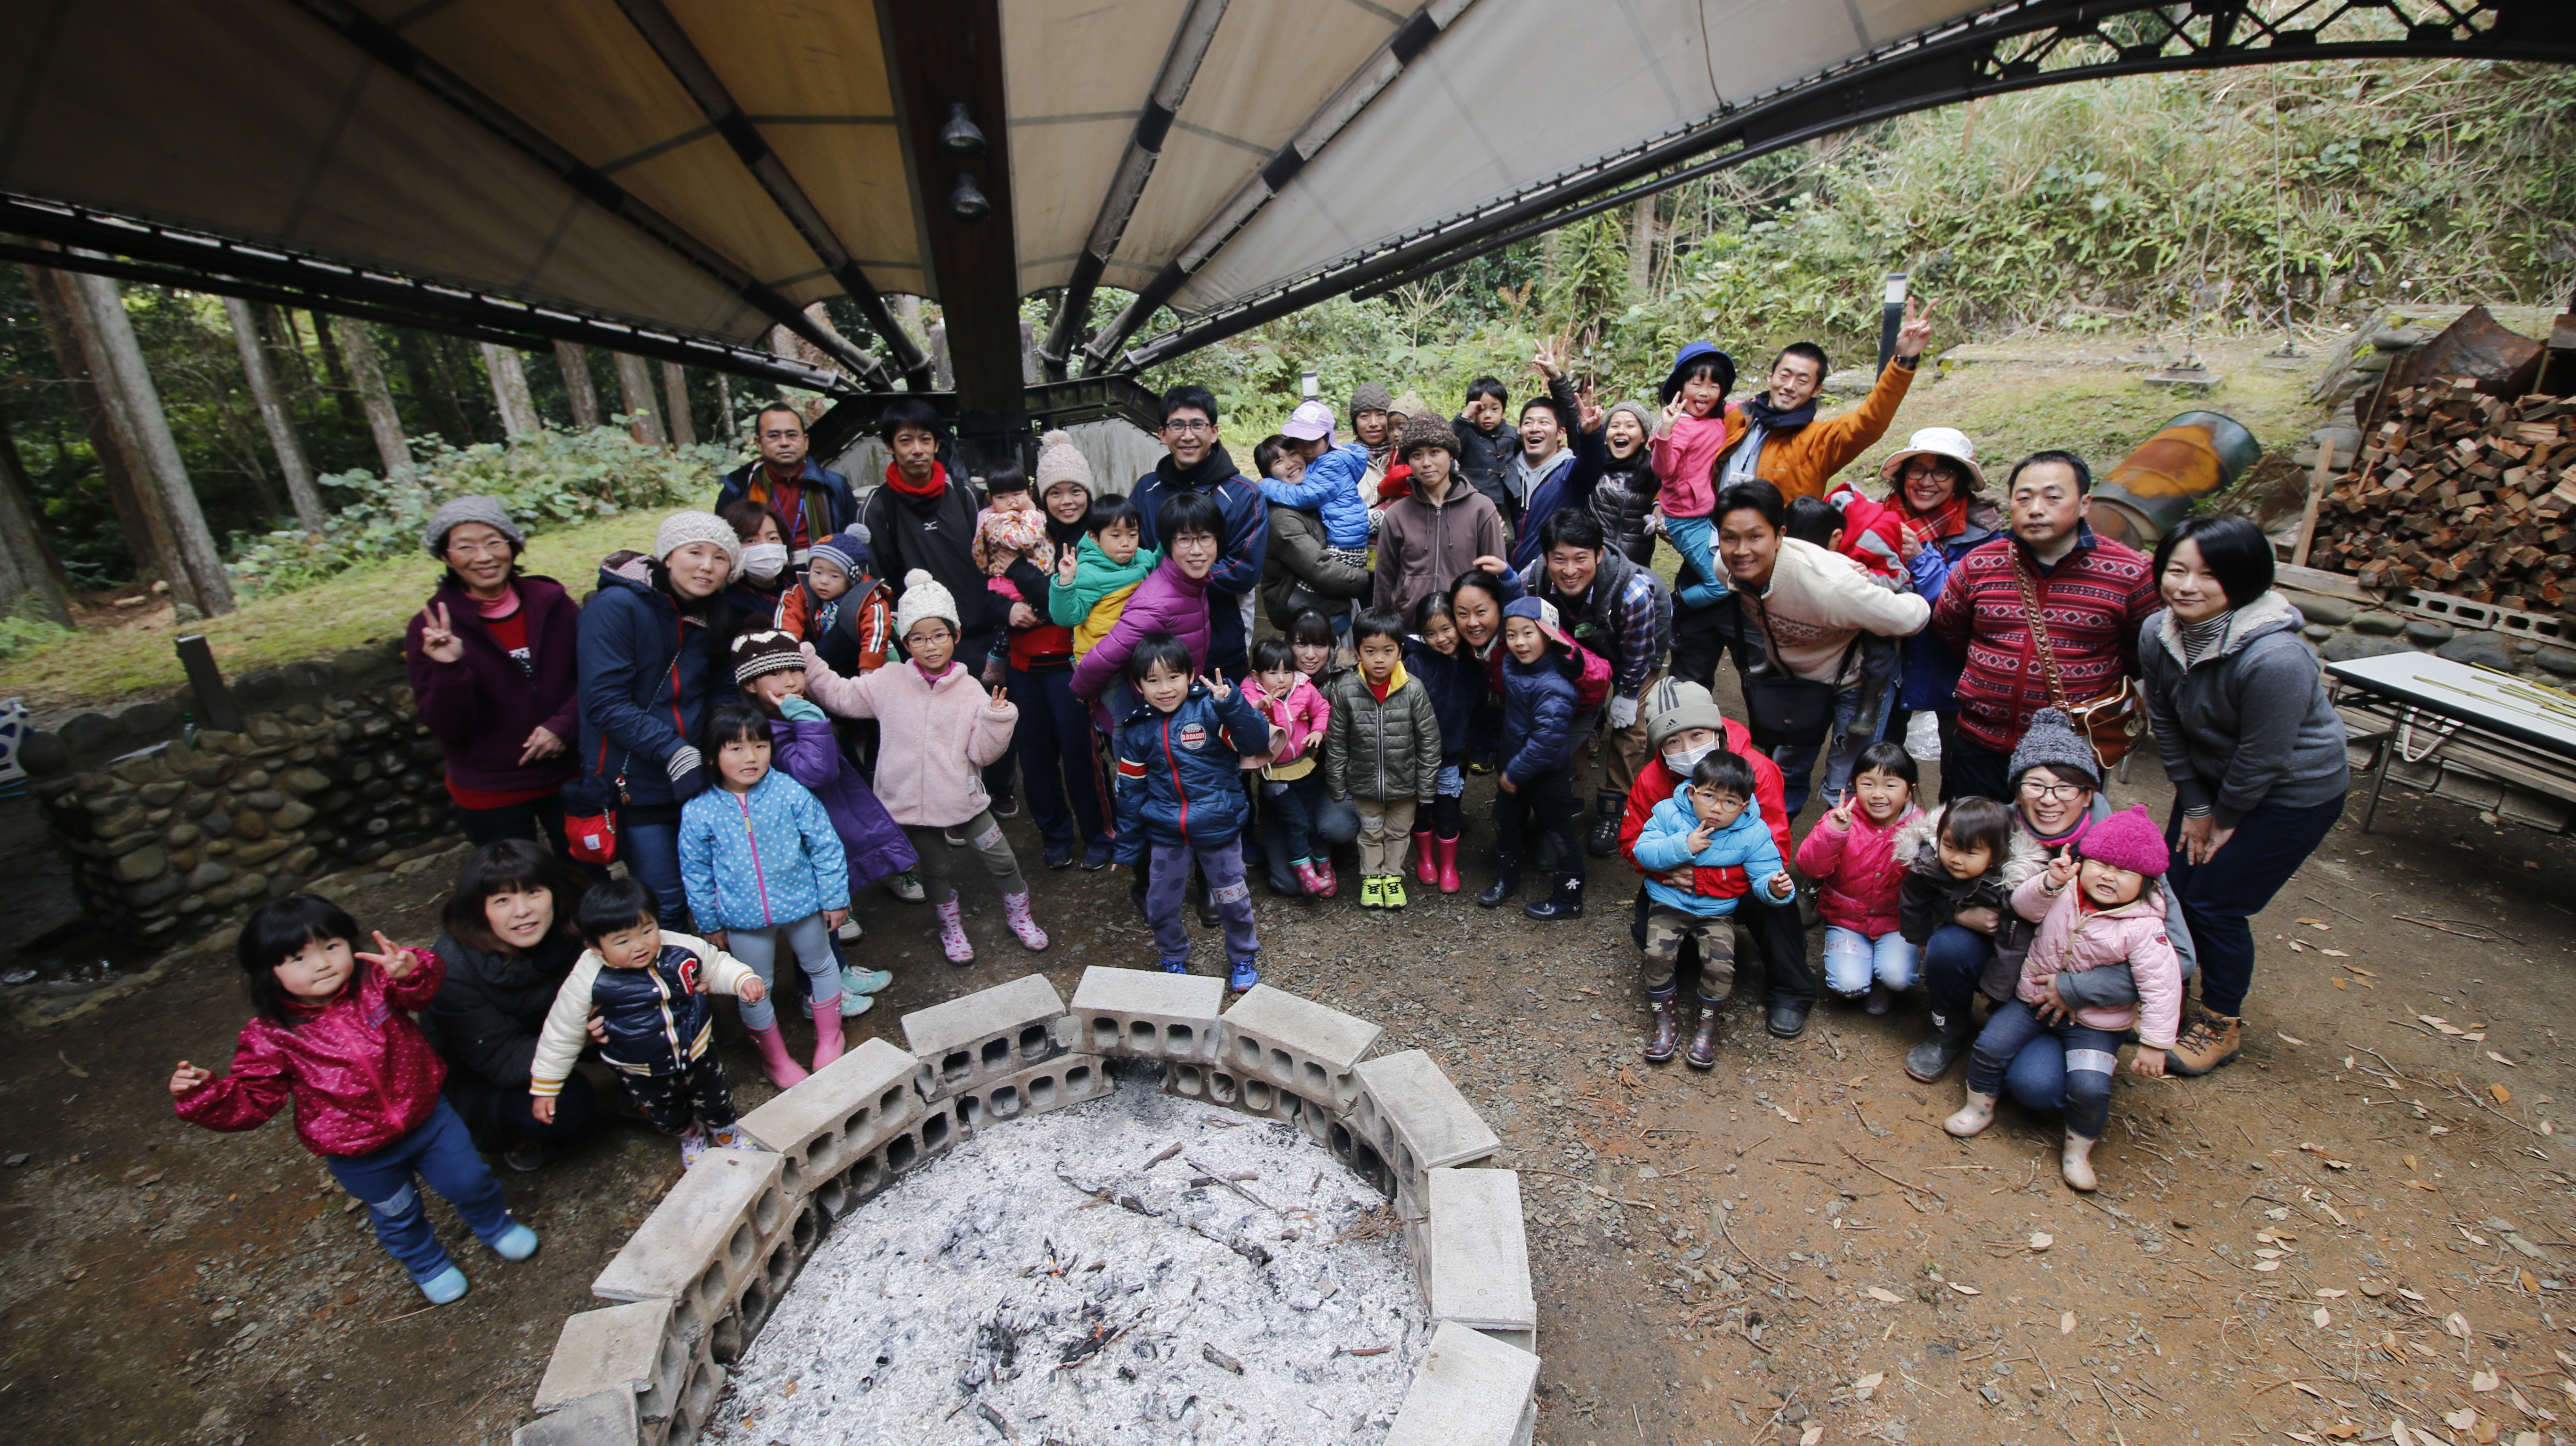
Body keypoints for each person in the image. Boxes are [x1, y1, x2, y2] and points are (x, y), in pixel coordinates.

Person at [171, 896, 539, 1304]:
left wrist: (412, 970)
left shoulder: (375, 983)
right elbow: (254, 1099)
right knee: (397, 1214)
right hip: (358, 1152)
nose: (322, 964)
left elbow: (423, 991)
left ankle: (496, 1228)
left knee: (470, 1179)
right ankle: (428, 1265)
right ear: (269, 973)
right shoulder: (270, 1035)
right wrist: (205, 1095)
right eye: (298, 958)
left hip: (428, 1118)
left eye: (331, 947)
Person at [2140, 516, 2350, 1075]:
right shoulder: (2159, 634)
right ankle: (2165, 992)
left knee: (2215, 900)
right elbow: (2165, 720)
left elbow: (2265, 756)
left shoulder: (2276, 658)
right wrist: (2197, 804)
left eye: (2209, 575)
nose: (2187, 586)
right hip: (2211, 782)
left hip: (2292, 794)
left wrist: (2224, 818)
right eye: (2176, 570)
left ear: (2246, 578)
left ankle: (2221, 1022)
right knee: (2173, 885)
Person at [1901, 707, 2200, 1084]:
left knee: (2036, 1087)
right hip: (2007, 964)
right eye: (2035, 785)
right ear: (2018, 790)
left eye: (2065, 788)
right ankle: (1948, 1033)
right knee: (1951, 945)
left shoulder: (2124, 854)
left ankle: (2065, 1047)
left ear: (2088, 795)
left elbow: (2182, 959)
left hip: (2072, 989)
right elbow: (1930, 881)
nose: (2048, 800)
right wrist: (1955, 914)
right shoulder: (1993, 827)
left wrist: (2077, 988)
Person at [800, 570, 1044, 964]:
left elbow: (982, 754)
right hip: (910, 803)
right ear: (905, 641)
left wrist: (997, 720)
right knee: (935, 870)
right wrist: (810, 663)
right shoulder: (889, 681)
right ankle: (951, 928)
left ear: (956, 636)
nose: (930, 646)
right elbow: (842, 696)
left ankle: (1021, 917)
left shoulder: (969, 690)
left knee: (1002, 858)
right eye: (918, 638)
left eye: (939, 635)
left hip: (963, 799)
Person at [1945, 806, 2182, 1192]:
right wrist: (2049, 884)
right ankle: (1979, 1107)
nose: (2108, 875)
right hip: (2033, 1000)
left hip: (2096, 1024)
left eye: (2124, 872)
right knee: (1990, 1046)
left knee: (2089, 1086)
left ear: (2147, 883)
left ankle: (2079, 1149)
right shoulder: (2065, 890)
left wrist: (2156, 1043)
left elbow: (2163, 984)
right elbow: (2021, 907)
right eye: (2101, 864)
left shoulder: (2145, 928)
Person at [1929, 450, 2158, 803]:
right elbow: (1950, 627)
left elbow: (2142, 651)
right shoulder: (1980, 564)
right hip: (1980, 743)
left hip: (2069, 755)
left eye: (2052, 497)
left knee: (2059, 853)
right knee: (1971, 847)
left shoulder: (2130, 573)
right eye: (2024, 498)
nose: (2036, 509)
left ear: (2084, 504)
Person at [1708, 480, 1929, 816]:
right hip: (1800, 679)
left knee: (1846, 778)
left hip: (1855, 678)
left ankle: (1837, 856)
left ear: (1780, 535)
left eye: (1755, 536)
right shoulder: (1727, 569)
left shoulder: (1832, 587)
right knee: (1786, 768)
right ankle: (1771, 848)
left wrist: (1885, 587)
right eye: (1730, 538)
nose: (1741, 551)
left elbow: (1913, 617)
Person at [1620, 678, 1815, 1043]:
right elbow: (1631, 842)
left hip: (1739, 885)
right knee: (1647, 930)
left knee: (1776, 901)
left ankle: (1791, 989)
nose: (1686, 749)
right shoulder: (1653, 779)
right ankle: (1690, 954)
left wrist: (1707, 881)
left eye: (1696, 735)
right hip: (1674, 886)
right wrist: (1662, 866)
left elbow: (1775, 849)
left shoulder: (1757, 770)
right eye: (1672, 742)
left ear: (1717, 730)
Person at [572, 511, 740, 928]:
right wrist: (672, 749)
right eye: (695, 552)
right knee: (664, 901)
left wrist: (723, 744)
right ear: (667, 556)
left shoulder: (713, 615)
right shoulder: (617, 607)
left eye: (720, 558)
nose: (707, 566)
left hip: (698, 774)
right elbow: (604, 702)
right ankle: (678, 990)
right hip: (636, 784)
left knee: (715, 889)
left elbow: (719, 690)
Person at [678, 699, 853, 1087]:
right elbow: (696, 874)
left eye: (760, 745)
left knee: (821, 966)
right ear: (713, 755)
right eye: (736, 748)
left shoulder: (788, 791)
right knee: (754, 986)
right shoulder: (699, 811)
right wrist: (709, 923)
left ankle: (830, 1037)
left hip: (803, 904)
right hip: (743, 918)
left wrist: (835, 897)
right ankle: (774, 1058)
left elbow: (825, 844)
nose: (751, 757)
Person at [529, 878, 760, 1167]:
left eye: (647, 930)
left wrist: (743, 979)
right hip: (642, 1069)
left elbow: (715, 965)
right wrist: (546, 1086)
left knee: (718, 1099)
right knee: (667, 1113)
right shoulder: (587, 979)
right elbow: (561, 1032)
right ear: (595, 947)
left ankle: (727, 1135)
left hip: (698, 1051)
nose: (639, 945)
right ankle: (690, 1135)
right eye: (622, 941)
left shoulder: (678, 947)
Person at [860, 398, 1014, 817]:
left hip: (976, 629)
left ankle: (1000, 789)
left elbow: (988, 557)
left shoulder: (962, 494)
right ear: (890, 447)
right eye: (905, 440)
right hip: (923, 638)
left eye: (925, 439)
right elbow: (879, 576)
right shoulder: (880, 505)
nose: (916, 450)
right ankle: (948, 802)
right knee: (934, 724)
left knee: (988, 709)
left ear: (936, 444)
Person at [406, 497, 583, 858]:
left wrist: (565, 725)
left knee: (586, 876)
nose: (484, 557)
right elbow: (447, 724)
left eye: (493, 542)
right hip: (489, 790)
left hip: (569, 774)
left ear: (513, 546)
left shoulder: (553, 603)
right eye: (465, 547)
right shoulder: (431, 629)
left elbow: (596, 679)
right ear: (445, 556)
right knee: (514, 885)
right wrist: (449, 668)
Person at [1493, 508, 1673, 856]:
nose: (1570, 570)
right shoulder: (1536, 577)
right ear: (1546, 557)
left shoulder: (1633, 593)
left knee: (1630, 725)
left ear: (1599, 554)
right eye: (1559, 559)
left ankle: (1613, 806)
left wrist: (1628, 693)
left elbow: (1637, 655)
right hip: (1574, 646)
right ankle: (1570, 795)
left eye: (1581, 558)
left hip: (1633, 646)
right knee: (1569, 717)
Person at [732, 629, 915, 961]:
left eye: (795, 671)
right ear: (749, 684)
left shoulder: (795, 709)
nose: (790, 682)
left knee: (856, 838)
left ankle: (875, 880)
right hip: (805, 817)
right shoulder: (766, 730)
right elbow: (815, 772)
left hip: (833, 804)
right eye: (775, 674)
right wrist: (807, 718)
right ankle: (836, 913)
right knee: (825, 858)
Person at [423, 841, 604, 1173]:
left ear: (554, 892)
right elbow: (502, 1061)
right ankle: (514, 1134)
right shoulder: (452, 969)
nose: (522, 911)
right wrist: (582, 1035)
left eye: (534, 892)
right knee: (567, 1104)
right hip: (484, 1073)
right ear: (480, 908)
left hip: (552, 1029)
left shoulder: (580, 919)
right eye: (502, 900)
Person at [1111, 634, 1272, 989]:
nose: (1165, 689)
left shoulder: (1212, 710)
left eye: (1173, 677)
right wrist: (1127, 846)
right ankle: (1172, 958)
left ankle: (1243, 957)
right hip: (1167, 834)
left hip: (1219, 829)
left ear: (1189, 675)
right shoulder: (1137, 730)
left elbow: (1254, 742)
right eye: (1152, 681)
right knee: (1161, 904)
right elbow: (1131, 794)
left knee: (1233, 900)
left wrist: (1232, 705)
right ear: (1139, 685)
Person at [1631, 750, 1797, 1066]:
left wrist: (1774, 889)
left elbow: (1765, 873)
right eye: (1709, 796)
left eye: (1730, 802)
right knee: (1657, 955)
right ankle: (1665, 1025)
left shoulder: (1754, 831)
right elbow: (1644, 851)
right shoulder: (1669, 813)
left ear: (1744, 806)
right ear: (1693, 792)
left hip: (1717, 910)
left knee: (1721, 965)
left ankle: (1706, 1030)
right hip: (1670, 902)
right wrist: (1684, 846)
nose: (1717, 808)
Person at [1868, 428, 2000, 792]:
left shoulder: (1988, 536)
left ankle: (1950, 830)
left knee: (1958, 759)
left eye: (1941, 472)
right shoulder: (1877, 518)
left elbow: (1964, 601)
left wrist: (1921, 556)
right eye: (1917, 471)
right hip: (1886, 658)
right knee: (1882, 753)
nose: (1927, 482)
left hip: (1953, 664)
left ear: (1959, 481)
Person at [1009, 434, 1119, 871]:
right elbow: (987, 586)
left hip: (1071, 665)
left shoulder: (1096, 539)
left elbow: (1076, 595)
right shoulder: (1023, 534)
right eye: (1055, 492)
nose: (1066, 501)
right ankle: (1054, 834)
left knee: (1081, 755)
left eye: (1076, 491)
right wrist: (1007, 605)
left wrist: (1021, 574)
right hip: (1023, 662)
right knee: (1034, 758)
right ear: (1041, 495)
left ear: (1088, 494)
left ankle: (1099, 832)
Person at [1709, 297, 1934, 504]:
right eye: (1784, 376)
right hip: (1719, 537)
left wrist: (1904, 360)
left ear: (1817, 390)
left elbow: (1870, 422)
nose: (1789, 387)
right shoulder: (1737, 418)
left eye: (1803, 381)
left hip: (1786, 544)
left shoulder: (1820, 441)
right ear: (1771, 377)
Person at [1130, 386, 1268, 680]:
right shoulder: (1146, 490)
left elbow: (1243, 571)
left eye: (1197, 425)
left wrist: (1170, 577)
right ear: (1163, 434)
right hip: (1156, 645)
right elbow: (1131, 558)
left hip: (1219, 643)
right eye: (1177, 425)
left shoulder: (1244, 495)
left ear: (1214, 432)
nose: (1188, 435)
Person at [1323, 608, 1444, 910]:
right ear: (1357, 652)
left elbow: (1429, 741)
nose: (1379, 659)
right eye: (1370, 651)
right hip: (1364, 785)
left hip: (1405, 785)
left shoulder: (1413, 689)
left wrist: (1426, 787)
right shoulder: (1347, 690)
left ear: (1400, 651)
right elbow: (1337, 742)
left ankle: (1393, 876)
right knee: (1371, 832)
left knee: (1399, 833)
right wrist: (1338, 784)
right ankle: (1371, 878)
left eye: (1388, 651)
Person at [1071, 490, 1224, 727]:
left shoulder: (1193, 581)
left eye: (1205, 537)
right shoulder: (1155, 603)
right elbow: (1098, 661)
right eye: (1184, 539)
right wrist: (1084, 697)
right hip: (1151, 724)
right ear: (1167, 542)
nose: (1197, 550)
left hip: (1180, 711)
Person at [1795, 741, 1927, 1015]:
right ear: (1854, 785)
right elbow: (1809, 868)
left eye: (1890, 785)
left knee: (1897, 976)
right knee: (1848, 985)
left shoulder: (1922, 829)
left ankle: (1886, 984)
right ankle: (1864, 973)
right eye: (1868, 784)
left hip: (1896, 923)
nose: (1878, 794)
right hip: (1848, 920)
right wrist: (1835, 833)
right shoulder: (1841, 820)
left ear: (1909, 792)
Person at [1483, 598, 1587, 920]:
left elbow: (1546, 740)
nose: (1519, 643)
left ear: (1549, 636)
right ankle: (1507, 877)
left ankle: (1569, 897)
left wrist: (1514, 772)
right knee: (1505, 821)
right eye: (1511, 635)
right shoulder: (1519, 665)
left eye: (1528, 633)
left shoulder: (1555, 686)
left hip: (1546, 777)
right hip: (1515, 769)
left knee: (1559, 834)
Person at [1376, 412, 1507, 621]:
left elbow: (1495, 576)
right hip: (1409, 626)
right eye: (1417, 455)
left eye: (1435, 452)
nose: (1426, 463)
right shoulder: (1397, 514)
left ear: (1452, 455)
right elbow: (1384, 579)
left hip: (1465, 626)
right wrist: (1382, 627)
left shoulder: (1481, 509)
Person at [715, 402, 857, 567]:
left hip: (823, 572)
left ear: (805, 441)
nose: (784, 443)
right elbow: (722, 546)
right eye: (774, 436)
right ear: (759, 443)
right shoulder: (738, 487)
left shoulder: (833, 484)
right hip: (760, 573)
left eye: (792, 435)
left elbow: (851, 540)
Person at [1256, 436, 1374, 632]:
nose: (1290, 463)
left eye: (1293, 454)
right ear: (1267, 476)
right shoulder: (1281, 517)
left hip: (1324, 606)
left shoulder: (1313, 499)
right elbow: (1320, 569)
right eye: (1278, 462)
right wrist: (1363, 579)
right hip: (1307, 613)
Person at [1245, 635, 1333, 898]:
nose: (1282, 679)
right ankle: (1306, 875)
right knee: (1297, 822)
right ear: (1257, 675)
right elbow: (1239, 719)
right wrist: (1258, 708)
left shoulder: (1303, 688)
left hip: (1304, 767)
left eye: (1287, 671)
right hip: (1275, 776)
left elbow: (1323, 709)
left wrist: (1318, 731)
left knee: (1310, 821)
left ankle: (1325, 869)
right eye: (1273, 673)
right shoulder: (1251, 693)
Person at [1404, 593, 1480, 893]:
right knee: (1421, 811)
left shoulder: (1473, 664)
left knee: (1448, 813)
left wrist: (1478, 747)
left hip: (1454, 755)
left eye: (1447, 629)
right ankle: (1425, 858)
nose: (1441, 639)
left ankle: (1448, 865)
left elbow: (1478, 710)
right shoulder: (1415, 663)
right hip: (1419, 756)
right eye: (1431, 633)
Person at [1258, 400, 1372, 566]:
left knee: (1312, 582)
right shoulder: (1319, 461)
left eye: (1313, 442)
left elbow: (1305, 496)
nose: (1306, 449)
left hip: (1346, 543)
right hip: (1341, 535)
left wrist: (1267, 485)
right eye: (1299, 442)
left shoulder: (1332, 465)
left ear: (1329, 439)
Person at [775, 529, 893, 677]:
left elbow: (875, 631)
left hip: (854, 664)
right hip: (811, 661)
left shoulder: (867, 599)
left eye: (834, 576)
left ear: (851, 581)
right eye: (817, 572)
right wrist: (787, 656)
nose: (824, 581)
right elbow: (788, 624)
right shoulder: (797, 594)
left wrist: (869, 666)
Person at [1502, 360, 1583, 566]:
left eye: (1544, 422)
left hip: (1551, 578)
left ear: (1561, 434)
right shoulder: (1504, 469)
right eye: (1528, 423)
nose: (1535, 428)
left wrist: (1557, 379)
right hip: (1502, 577)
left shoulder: (1571, 473)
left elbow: (1592, 454)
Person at [1587, 398, 1662, 567]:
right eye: (1614, 426)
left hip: (1636, 566)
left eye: (1630, 426)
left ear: (1644, 437)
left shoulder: (1655, 470)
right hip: (1594, 563)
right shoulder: (1592, 465)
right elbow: (1576, 429)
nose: (1621, 431)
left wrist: (1660, 502)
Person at [1454, 376, 1519, 522]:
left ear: (1503, 412)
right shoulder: (1467, 432)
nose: (1488, 415)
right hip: (1472, 496)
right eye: (1481, 410)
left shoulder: (1511, 434)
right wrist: (1465, 417)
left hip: (1504, 498)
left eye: (1495, 409)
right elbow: (1450, 442)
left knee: (1507, 537)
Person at [718, 498, 795, 621]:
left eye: (773, 538)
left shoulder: (801, 582)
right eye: (751, 541)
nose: (766, 548)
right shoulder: (734, 604)